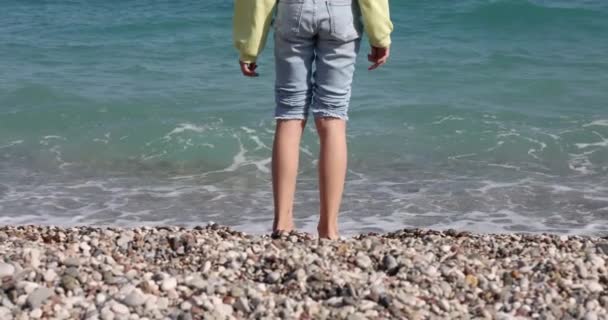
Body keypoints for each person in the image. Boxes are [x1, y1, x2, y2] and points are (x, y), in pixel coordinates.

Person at [233, 0, 393, 239]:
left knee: (289, 116)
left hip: (294, 11)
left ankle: (283, 224)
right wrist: (380, 35)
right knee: (333, 119)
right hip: (342, 14)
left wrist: (249, 46)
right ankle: (328, 228)